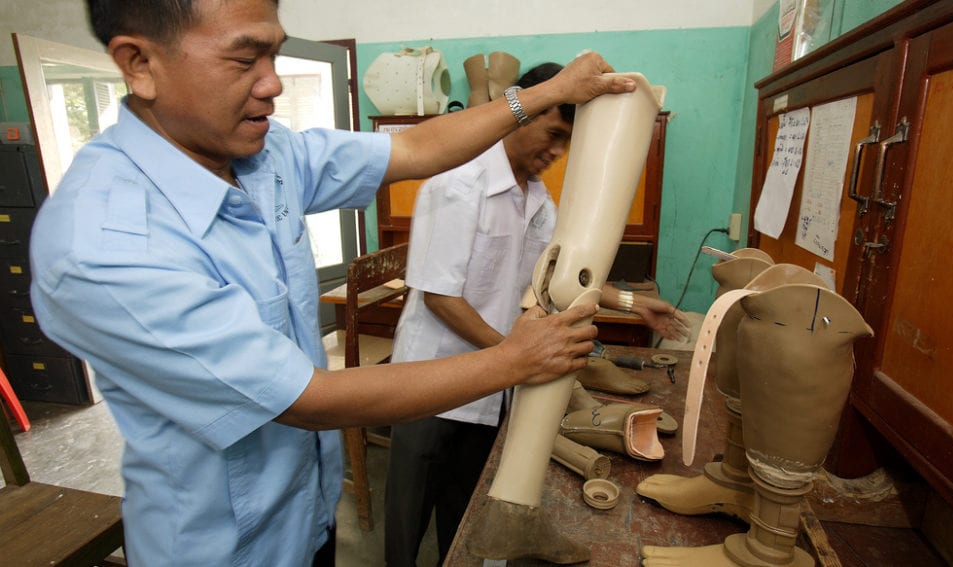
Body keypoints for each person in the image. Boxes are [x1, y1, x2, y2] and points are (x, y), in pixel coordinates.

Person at [27, 2, 640, 565]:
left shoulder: (266, 158)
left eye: (274, 54)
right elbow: (306, 400)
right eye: (245, 59)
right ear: (139, 63)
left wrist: (546, 94)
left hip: (310, 515)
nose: (272, 83)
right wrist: (513, 360)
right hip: (223, 546)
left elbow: (416, 149)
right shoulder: (104, 245)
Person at [384, 63, 689, 566]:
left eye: (568, 141)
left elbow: (562, 278)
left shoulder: (540, 201)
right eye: (553, 133)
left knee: (464, 509)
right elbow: (441, 299)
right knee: (407, 521)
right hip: (430, 384)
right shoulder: (459, 184)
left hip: (488, 382)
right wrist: (513, 357)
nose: (556, 151)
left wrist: (635, 305)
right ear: (520, 109)